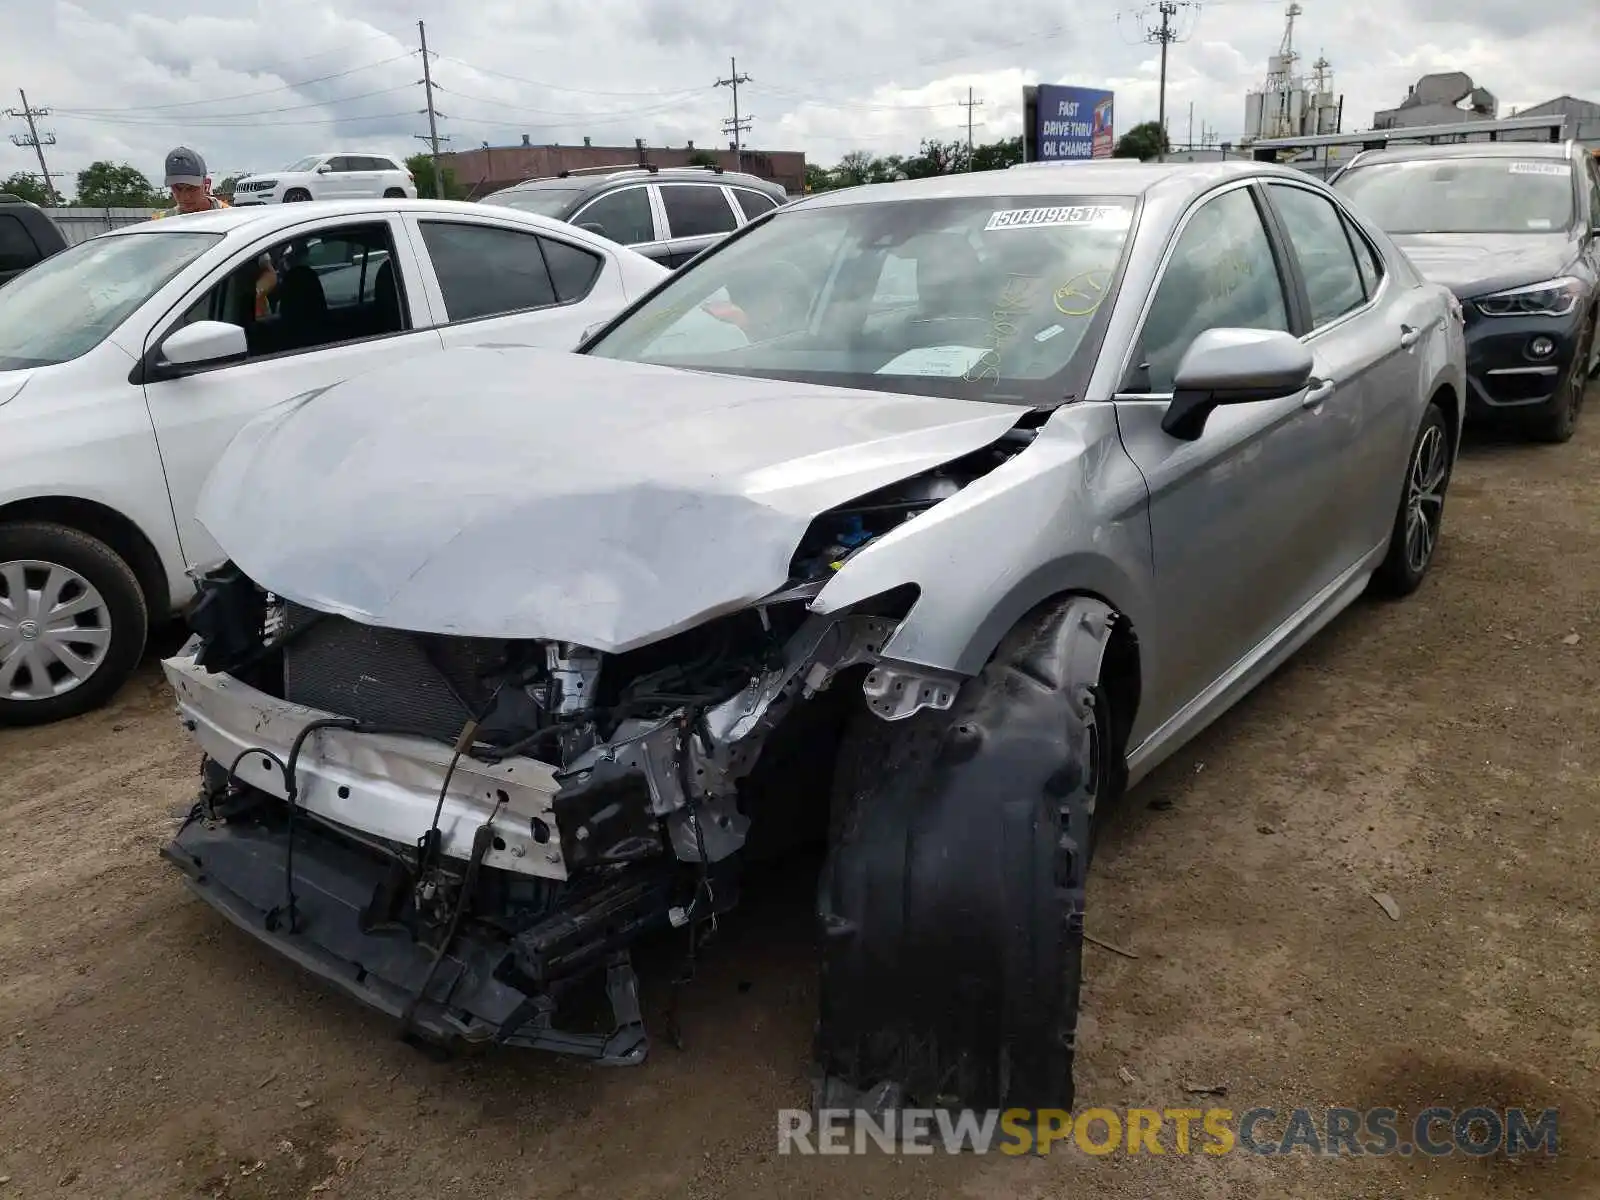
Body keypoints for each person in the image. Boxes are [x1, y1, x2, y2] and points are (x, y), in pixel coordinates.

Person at [152, 146, 229, 217]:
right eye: (177, 188)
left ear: (206, 184)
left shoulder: (228, 216)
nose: (185, 196)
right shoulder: (162, 222)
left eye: (191, 188)